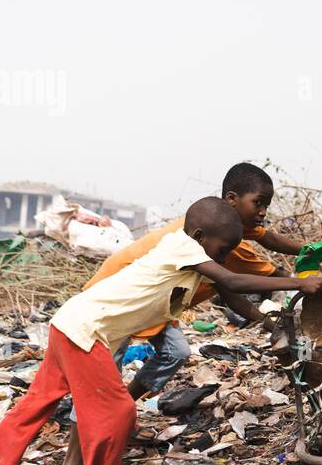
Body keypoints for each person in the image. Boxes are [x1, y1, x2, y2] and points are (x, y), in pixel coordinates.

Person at [0, 197, 322, 465]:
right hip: (86, 331)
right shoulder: (182, 247)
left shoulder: (199, 258)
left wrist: (268, 320)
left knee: (35, 406)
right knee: (119, 412)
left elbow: (233, 294)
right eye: (223, 249)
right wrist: (299, 282)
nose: (225, 256)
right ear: (198, 237)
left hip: (72, 323)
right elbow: (232, 280)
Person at [83, 162, 306, 402]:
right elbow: (239, 282)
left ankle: (123, 406)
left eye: (266, 205)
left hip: (156, 303)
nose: (263, 212)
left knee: (176, 352)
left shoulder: (226, 231)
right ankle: (93, 418)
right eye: (258, 202)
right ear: (232, 199)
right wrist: (303, 284)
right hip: (119, 294)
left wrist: (310, 250)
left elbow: (262, 247)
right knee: (106, 373)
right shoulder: (213, 235)